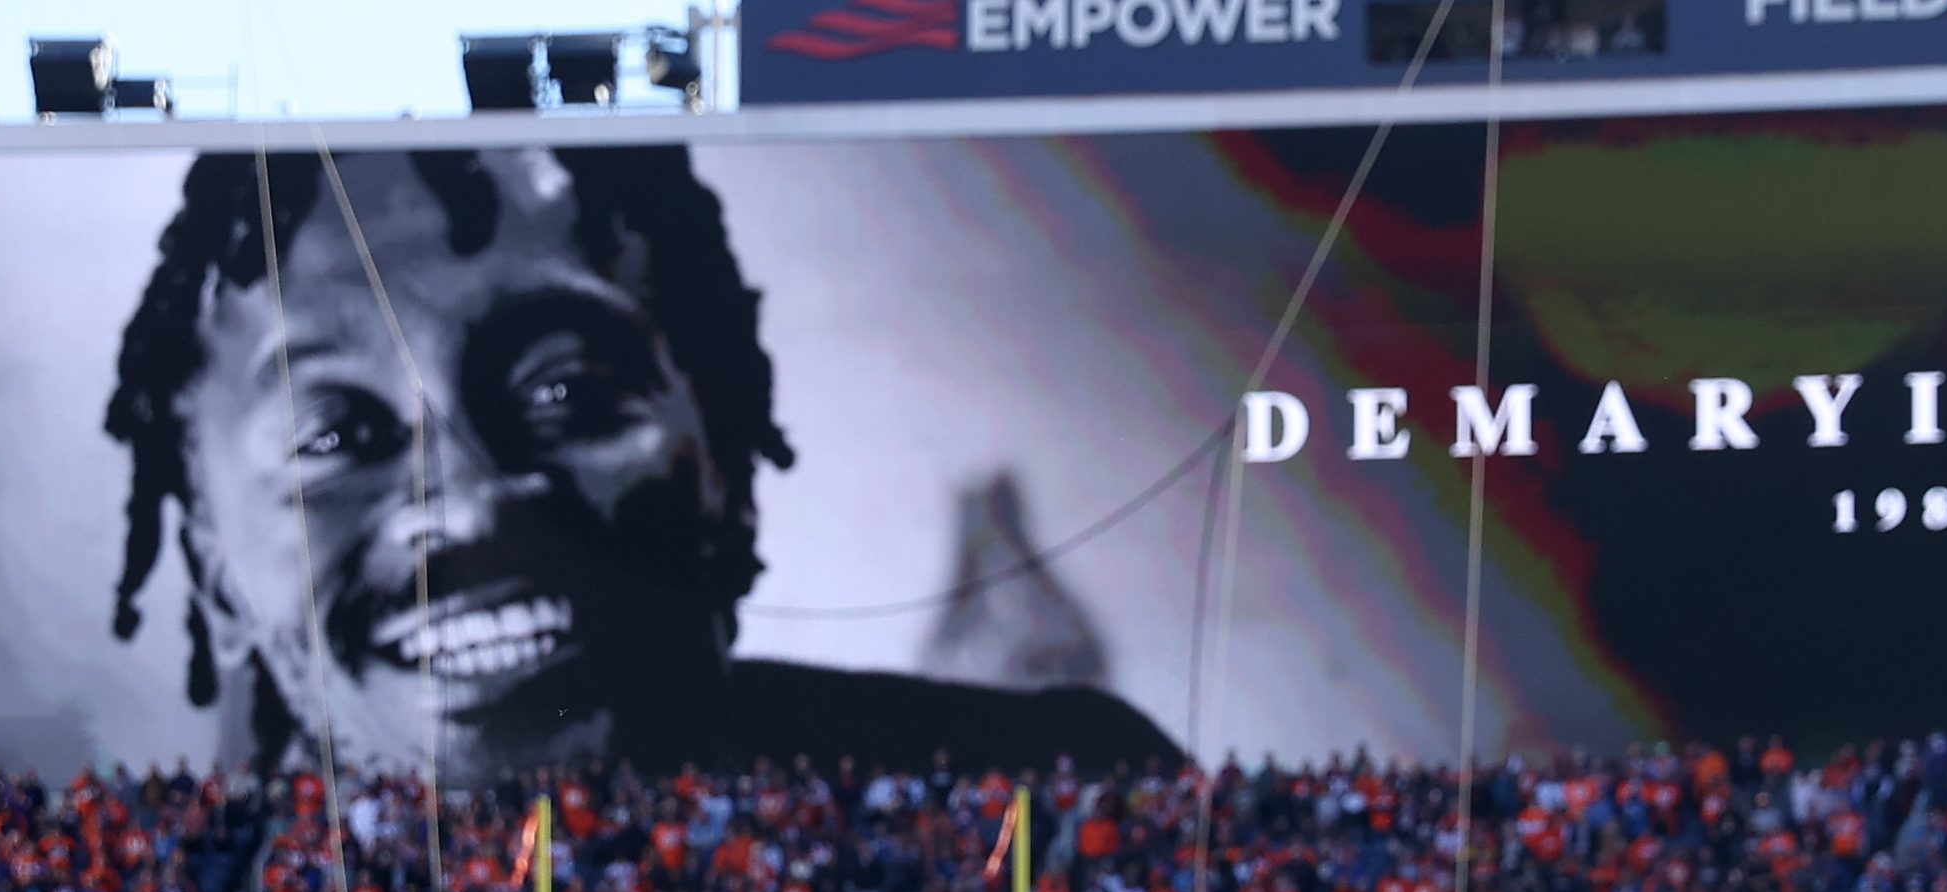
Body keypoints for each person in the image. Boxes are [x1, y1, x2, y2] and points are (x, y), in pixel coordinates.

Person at [102, 147, 1170, 786]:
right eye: (332, 439)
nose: (468, 505)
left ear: (725, 450)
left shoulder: (1066, 788)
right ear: (214, 569)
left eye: (565, 392)